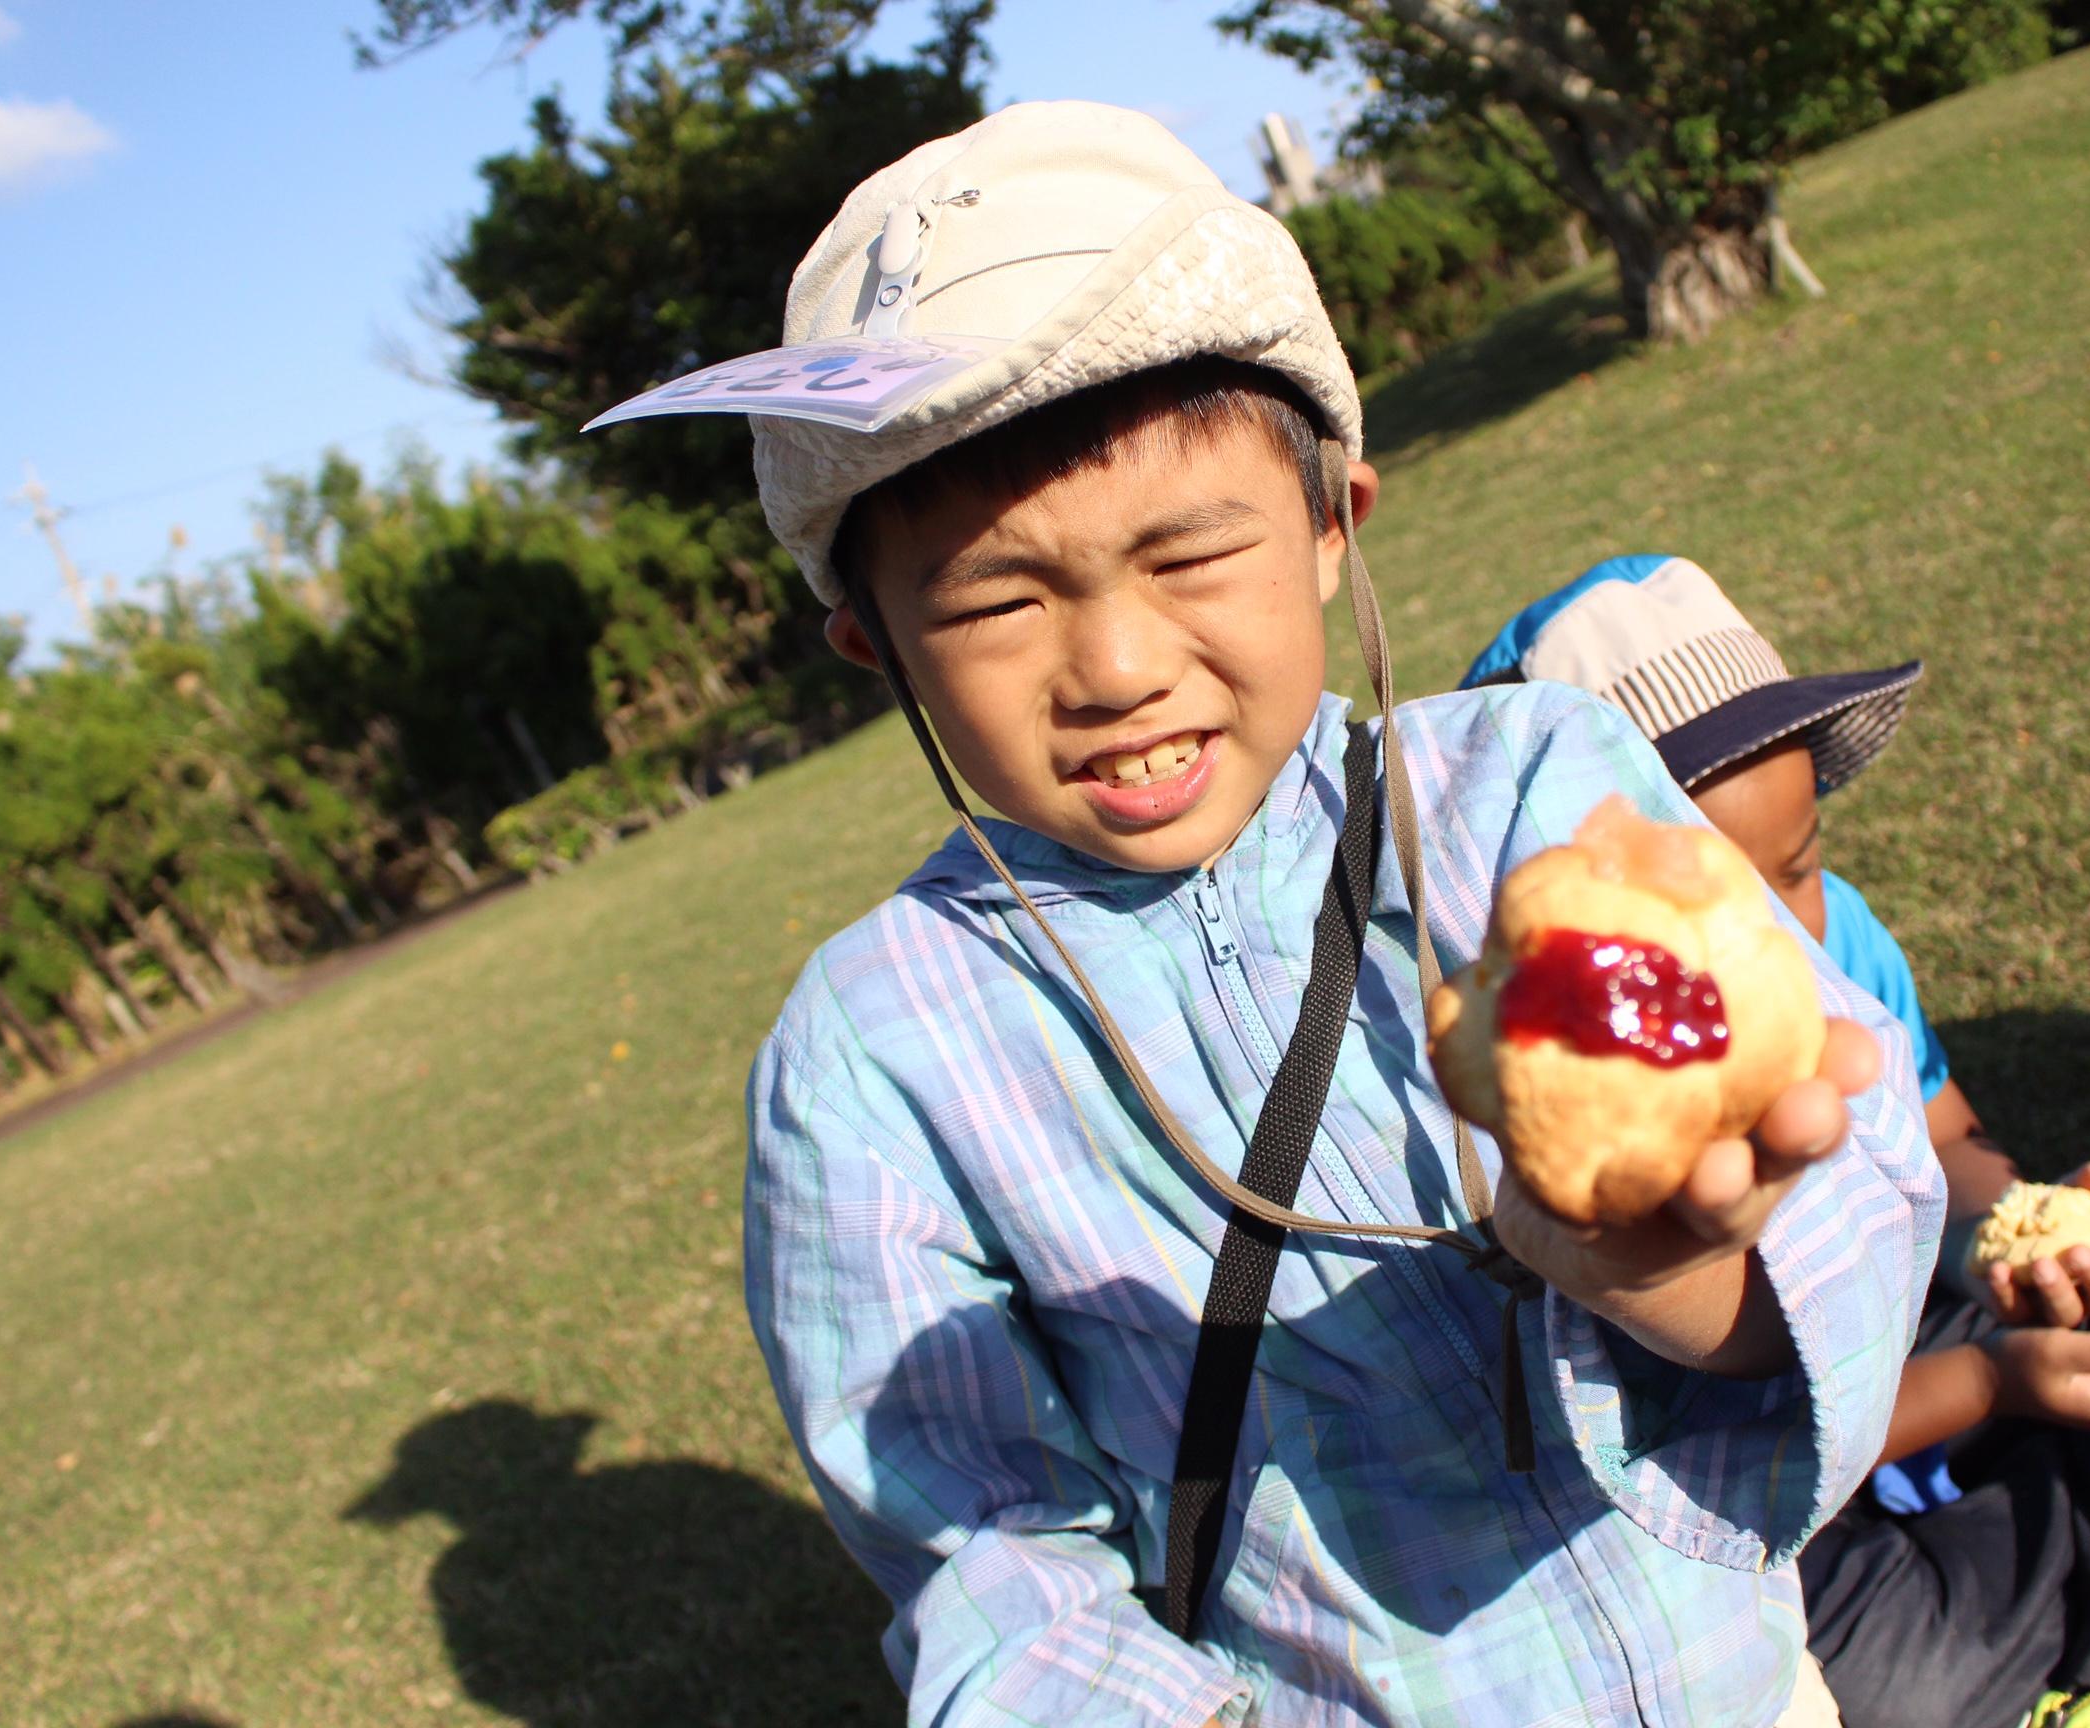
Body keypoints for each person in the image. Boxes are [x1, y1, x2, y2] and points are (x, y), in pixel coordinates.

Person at [585, 106, 1943, 1724]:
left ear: (1327, 523)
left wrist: (1654, 1274)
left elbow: (1856, 1196)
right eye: (998, 598)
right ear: (876, 645)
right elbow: (990, 1560)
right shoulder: (875, 1054)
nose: (1114, 667)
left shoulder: (1535, 789)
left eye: (1189, 550)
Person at [1462, 554, 2090, 1728]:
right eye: (1717, 893)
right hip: (1782, 1502)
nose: (1788, 932)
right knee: (1880, 1677)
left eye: (1800, 866)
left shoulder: (1844, 956)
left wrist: (2006, 1231)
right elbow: (1689, 1462)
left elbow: (1946, 1139)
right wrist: (1990, 1383)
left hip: (1948, 1363)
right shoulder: (1557, 1116)